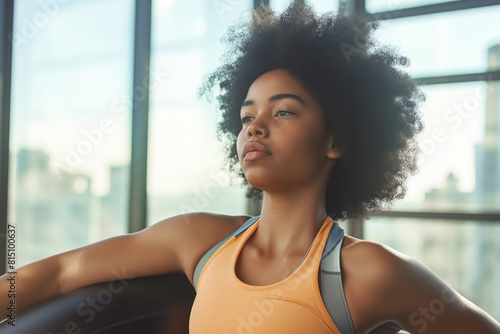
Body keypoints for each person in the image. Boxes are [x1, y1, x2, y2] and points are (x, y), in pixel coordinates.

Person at [1, 1, 500, 333]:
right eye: (246, 116)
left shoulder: (371, 273)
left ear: (337, 139)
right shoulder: (197, 240)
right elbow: (63, 272)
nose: (254, 128)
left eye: (283, 111)